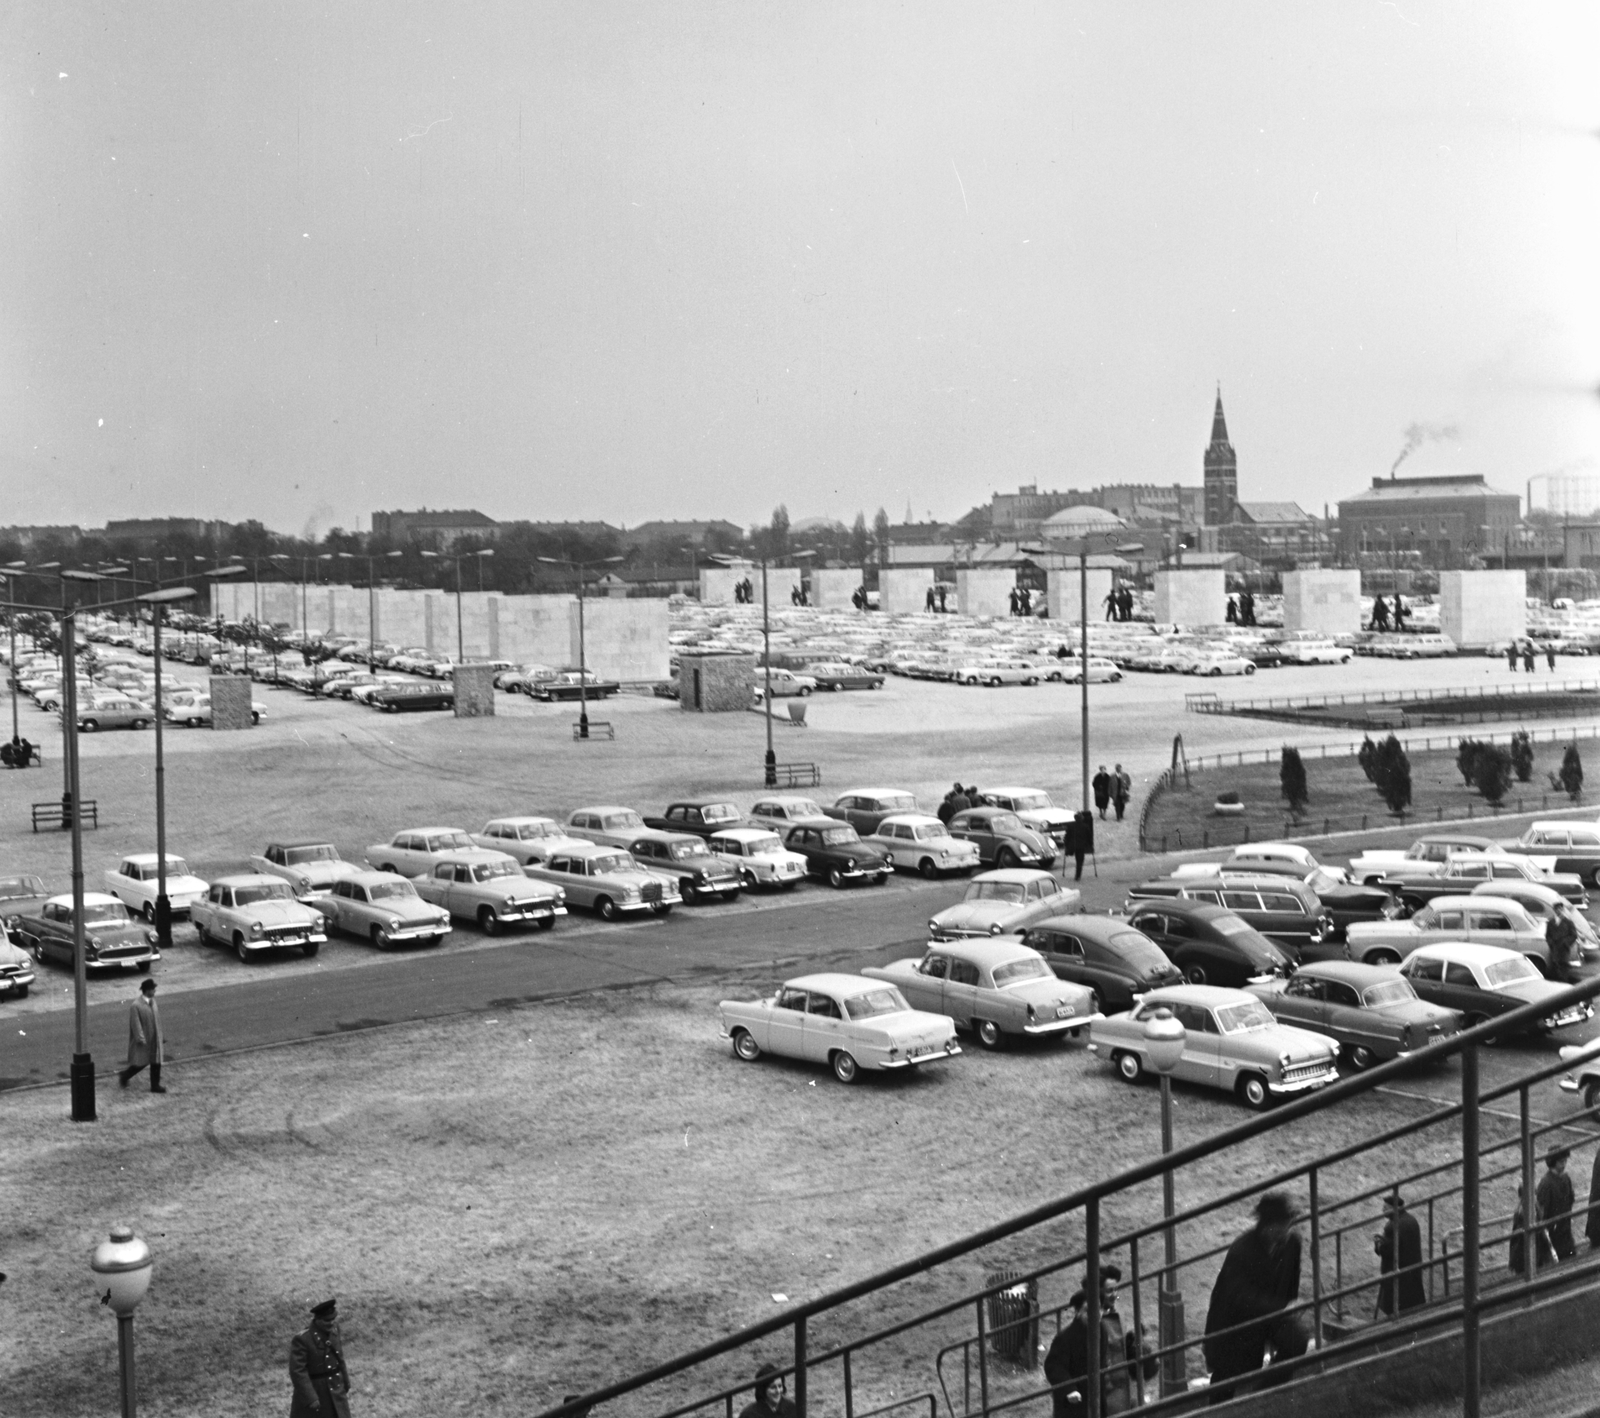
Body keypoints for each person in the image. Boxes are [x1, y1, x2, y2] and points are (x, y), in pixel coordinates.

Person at [1202, 1193, 1308, 1402]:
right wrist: (1281, 1308)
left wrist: (1289, 1308)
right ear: (1267, 1226)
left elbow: (1291, 1279)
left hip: (1271, 1313)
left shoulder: (1292, 1244)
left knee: (1297, 1339)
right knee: (1228, 1375)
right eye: (1281, 1225)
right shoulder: (1242, 1250)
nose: (1286, 1230)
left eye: (1287, 1224)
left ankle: (1262, 1396)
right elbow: (1239, 1297)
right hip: (1236, 1322)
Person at [1043, 1265, 1153, 1416]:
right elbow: (1054, 1367)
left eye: (1116, 1290)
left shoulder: (1107, 1324)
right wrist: (1070, 1390)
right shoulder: (1068, 1337)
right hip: (1085, 1400)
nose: (1096, 1315)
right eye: (1109, 1291)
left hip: (1109, 1395)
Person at [289, 1298, 352, 1418]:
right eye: (327, 1320)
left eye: (333, 1319)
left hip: (336, 1388)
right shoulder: (303, 1339)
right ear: (317, 1320)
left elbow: (340, 1358)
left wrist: (346, 1381)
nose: (331, 1322)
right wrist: (310, 1397)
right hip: (317, 1392)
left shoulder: (335, 1329)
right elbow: (297, 1371)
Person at [1374, 1193, 1425, 1317]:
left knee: (1395, 1304)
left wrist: (1378, 1244)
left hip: (1396, 1271)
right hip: (1412, 1269)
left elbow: (1386, 1251)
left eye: (1385, 1208)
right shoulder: (1412, 1220)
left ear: (1394, 1208)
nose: (1382, 1211)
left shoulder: (1391, 1226)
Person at [118, 977, 165, 1093]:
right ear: (147, 990)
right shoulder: (136, 1005)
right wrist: (140, 1038)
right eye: (153, 989)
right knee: (141, 1063)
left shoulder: (153, 1002)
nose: (155, 991)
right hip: (144, 1040)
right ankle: (125, 1075)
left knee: (156, 1062)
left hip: (155, 1038)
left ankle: (155, 1086)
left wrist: (161, 1036)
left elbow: (157, 1020)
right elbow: (135, 1023)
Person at [1538, 1147, 1577, 1263]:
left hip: (1565, 1227)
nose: (1564, 1164)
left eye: (1565, 1161)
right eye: (1561, 1162)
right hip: (1553, 1231)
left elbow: (1571, 1198)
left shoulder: (1566, 1178)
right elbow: (1542, 1210)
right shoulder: (1546, 1183)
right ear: (1552, 1162)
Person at [1509, 1180, 1553, 1275]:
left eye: (1534, 1194)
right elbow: (1517, 1238)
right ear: (1522, 1197)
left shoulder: (1535, 1206)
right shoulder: (1521, 1212)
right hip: (1525, 1253)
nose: (1534, 1197)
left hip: (1535, 1249)